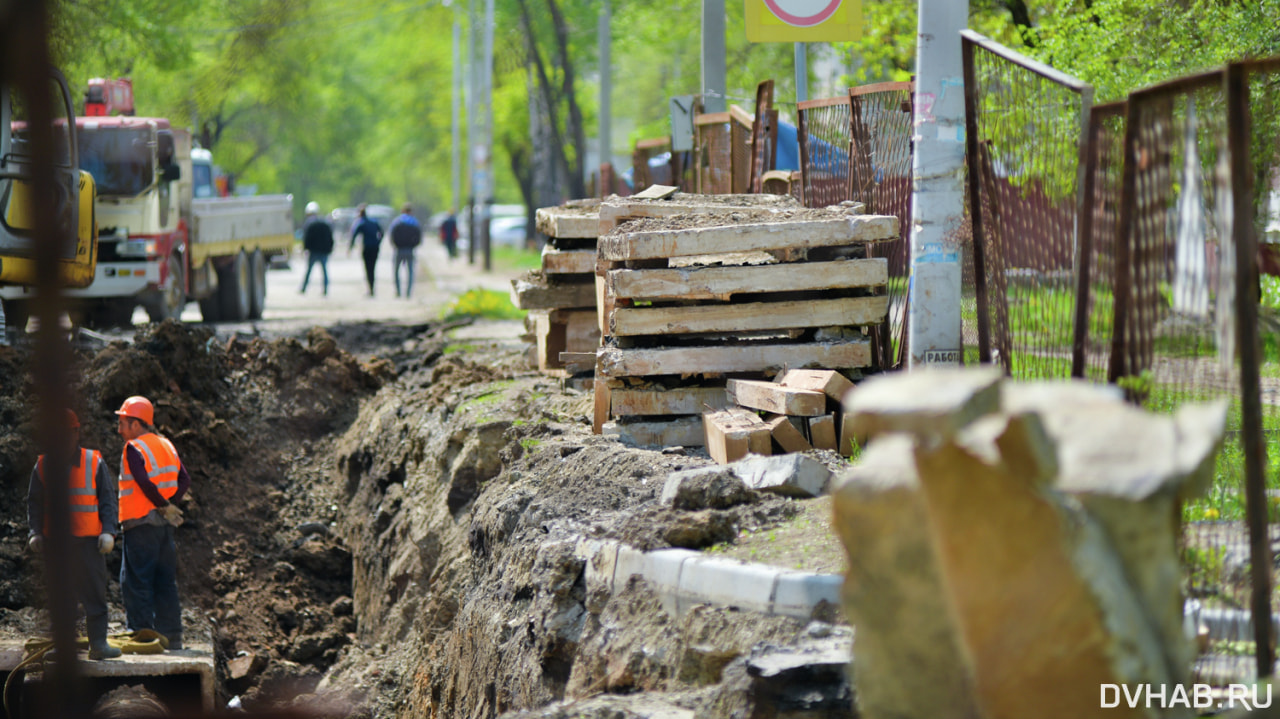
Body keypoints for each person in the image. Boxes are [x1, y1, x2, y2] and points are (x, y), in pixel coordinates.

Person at [27, 409, 122, 660]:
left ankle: (98, 644)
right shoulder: (43, 466)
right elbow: (34, 503)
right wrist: (35, 532)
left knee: (94, 594)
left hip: (89, 543)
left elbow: (108, 501)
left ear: (76, 433)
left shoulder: (94, 462)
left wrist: (109, 532)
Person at [114, 396, 190, 651]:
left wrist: (162, 505)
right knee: (165, 580)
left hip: (141, 524)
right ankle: (173, 636)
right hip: (163, 527)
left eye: (123, 423)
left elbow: (144, 482)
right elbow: (185, 480)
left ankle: (142, 637)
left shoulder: (134, 448)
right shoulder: (166, 445)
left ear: (137, 424)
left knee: (136, 581)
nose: (119, 429)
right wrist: (169, 506)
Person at [348, 204, 384, 296]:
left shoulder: (361, 222)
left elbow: (354, 235)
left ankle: (370, 288)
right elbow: (382, 232)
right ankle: (372, 288)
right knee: (373, 267)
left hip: (367, 248)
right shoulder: (374, 222)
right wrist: (378, 242)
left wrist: (350, 248)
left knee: (368, 269)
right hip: (375, 248)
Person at [299, 201, 334, 296]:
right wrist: (330, 249)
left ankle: (304, 288)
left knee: (309, 271)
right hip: (323, 251)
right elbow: (330, 238)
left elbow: (307, 238)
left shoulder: (309, 224)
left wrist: (305, 249)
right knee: (324, 271)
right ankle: (325, 289)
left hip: (313, 251)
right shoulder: (325, 223)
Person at [388, 203, 423, 298]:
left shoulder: (397, 221)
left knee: (396, 271)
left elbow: (391, 234)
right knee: (411, 272)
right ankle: (408, 293)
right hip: (410, 250)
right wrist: (414, 245)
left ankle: (398, 291)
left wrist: (394, 245)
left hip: (399, 249)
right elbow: (420, 237)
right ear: (411, 212)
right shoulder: (414, 222)